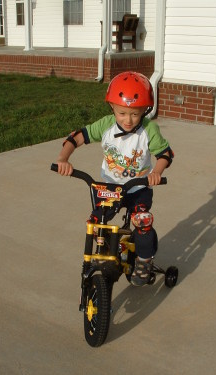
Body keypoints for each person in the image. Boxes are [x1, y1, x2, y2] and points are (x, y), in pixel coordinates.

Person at [56, 71, 174, 286]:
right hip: (108, 188)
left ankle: (144, 260)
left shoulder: (149, 130)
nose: (128, 120)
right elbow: (78, 136)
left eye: (135, 114)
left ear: (145, 110)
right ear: (112, 108)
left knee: (142, 221)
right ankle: (102, 254)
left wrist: (157, 171)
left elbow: (165, 154)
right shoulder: (106, 125)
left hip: (138, 188)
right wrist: (63, 158)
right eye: (122, 113)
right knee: (96, 221)